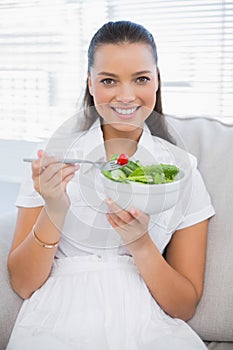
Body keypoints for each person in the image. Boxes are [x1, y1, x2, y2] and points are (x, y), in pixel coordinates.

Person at [7, 21, 215, 349]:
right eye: (108, 80)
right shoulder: (53, 160)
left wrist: (141, 244)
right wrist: (54, 209)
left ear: (157, 81)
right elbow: (23, 284)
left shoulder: (183, 170)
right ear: (90, 84)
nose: (126, 96)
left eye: (141, 79)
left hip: (148, 326)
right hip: (57, 320)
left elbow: (184, 305)